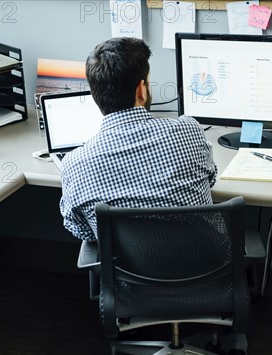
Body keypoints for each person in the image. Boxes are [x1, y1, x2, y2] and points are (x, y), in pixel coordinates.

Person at [59, 37, 216, 242]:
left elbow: (83, 230)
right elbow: (210, 178)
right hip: (204, 264)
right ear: (141, 90)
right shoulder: (189, 131)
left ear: (95, 94)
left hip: (126, 272)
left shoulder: (73, 165)